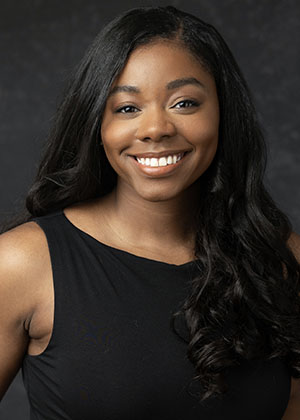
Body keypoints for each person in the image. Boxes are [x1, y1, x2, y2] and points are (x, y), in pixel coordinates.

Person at [0, 5, 299, 419]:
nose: (156, 128)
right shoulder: (24, 264)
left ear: (223, 114)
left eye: (184, 103)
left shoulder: (282, 258)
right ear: (96, 125)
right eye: (126, 108)